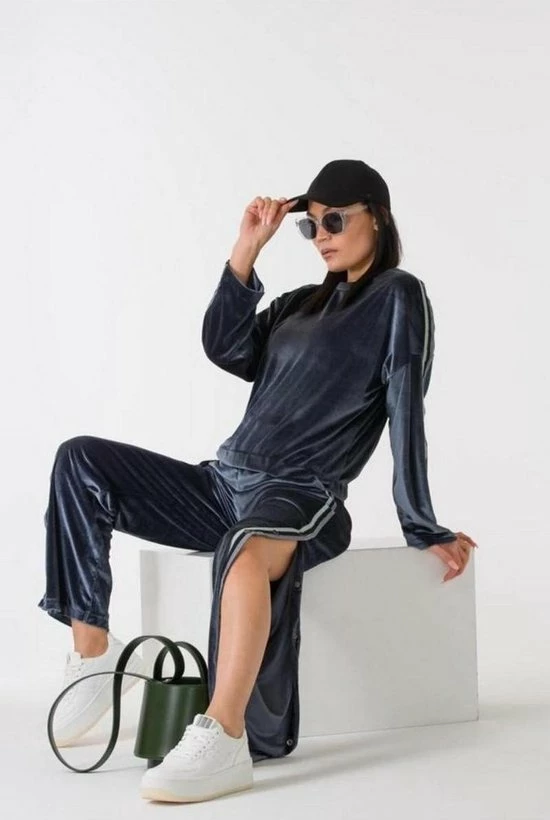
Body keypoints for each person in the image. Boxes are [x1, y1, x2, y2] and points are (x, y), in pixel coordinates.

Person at [38, 158, 477, 804]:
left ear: (377, 219)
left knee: (244, 548)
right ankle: (95, 651)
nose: (321, 235)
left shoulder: (398, 296)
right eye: (310, 225)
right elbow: (228, 348)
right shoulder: (300, 303)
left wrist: (421, 521)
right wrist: (247, 250)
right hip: (224, 483)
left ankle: (224, 734)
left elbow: (407, 405)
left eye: (334, 220)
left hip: (302, 492)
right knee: (80, 461)